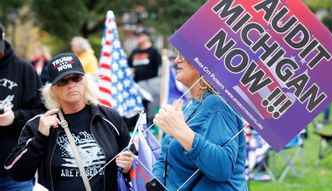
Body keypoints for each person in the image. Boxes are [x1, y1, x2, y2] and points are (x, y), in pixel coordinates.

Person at [5, 53, 134, 191]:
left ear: (84, 80)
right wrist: (40, 137)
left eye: (76, 78)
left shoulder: (109, 117)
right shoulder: (39, 124)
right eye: (63, 81)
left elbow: (135, 161)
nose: (71, 85)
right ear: (52, 89)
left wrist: (128, 167)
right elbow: (16, 172)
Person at [147, 52, 247, 191]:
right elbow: (166, 156)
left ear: (202, 62)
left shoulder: (218, 104)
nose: (177, 60)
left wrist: (180, 131)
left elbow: (222, 168)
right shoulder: (190, 104)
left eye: (183, 55)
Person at [0, 25, 44, 190]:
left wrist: (15, 117)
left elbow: (43, 113)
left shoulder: (23, 69)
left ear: (3, 38)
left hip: (14, 173)